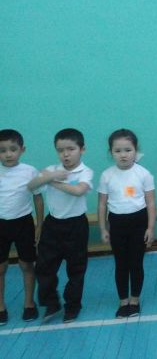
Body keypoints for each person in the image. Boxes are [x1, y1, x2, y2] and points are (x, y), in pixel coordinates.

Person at [28, 128, 93, 323]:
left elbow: (78, 191)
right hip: (53, 224)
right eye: (60, 150)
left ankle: (72, 306)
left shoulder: (85, 171)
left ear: (82, 149)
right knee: (43, 267)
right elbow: (31, 186)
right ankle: (52, 303)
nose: (65, 154)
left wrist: (51, 181)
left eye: (71, 149)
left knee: (76, 268)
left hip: (76, 225)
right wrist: (50, 176)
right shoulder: (52, 169)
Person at [97, 129, 156, 318]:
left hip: (139, 222)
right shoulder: (107, 175)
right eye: (118, 151)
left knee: (136, 263)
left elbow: (151, 203)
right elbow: (102, 204)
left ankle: (134, 300)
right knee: (121, 264)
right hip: (117, 223)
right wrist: (103, 228)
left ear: (135, 150)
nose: (123, 155)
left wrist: (150, 228)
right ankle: (123, 301)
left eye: (128, 150)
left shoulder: (143, 174)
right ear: (111, 152)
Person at [0, 129, 44, 325]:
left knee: (27, 264)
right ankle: (0, 307)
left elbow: (38, 198)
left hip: (23, 223)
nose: (8, 154)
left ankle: (29, 304)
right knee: (0, 267)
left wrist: (39, 225)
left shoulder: (29, 171)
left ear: (22, 149)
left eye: (13, 149)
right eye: (2, 151)